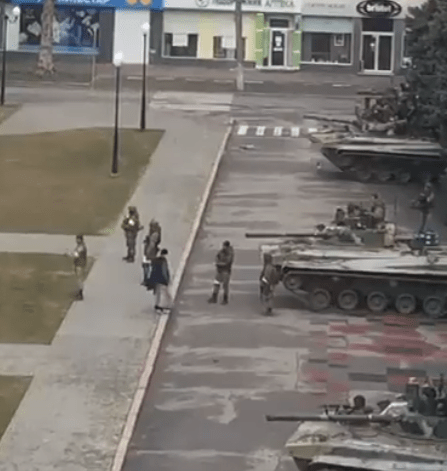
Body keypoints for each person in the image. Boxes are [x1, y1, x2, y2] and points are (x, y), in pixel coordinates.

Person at [208, 240, 234, 305]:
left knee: (225, 285)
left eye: (224, 246)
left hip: (226, 271)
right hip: (219, 270)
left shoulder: (230, 253)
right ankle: (214, 297)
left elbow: (227, 262)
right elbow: (217, 257)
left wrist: (219, 263)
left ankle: (225, 299)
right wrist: (217, 262)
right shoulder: (221, 251)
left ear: (227, 246)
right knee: (216, 283)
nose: (223, 247)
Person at [146, 248, 172, 313]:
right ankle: (163, 306)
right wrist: (167, 280)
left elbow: (151, 270)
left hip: (156, 279)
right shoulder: (163, 261)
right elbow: (164, 271)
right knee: (165, 293)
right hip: (162, 280)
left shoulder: (155, 261)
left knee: (158, 293)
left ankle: (158, 305)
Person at [142, 219, 161, 287]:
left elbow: (152, 245)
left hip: (150, 253)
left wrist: (147, 253)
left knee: (146, 266)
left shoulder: (154, 234)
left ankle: (148, 281)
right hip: (153, 252)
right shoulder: (155, 233)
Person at [72, 235, 87, 301]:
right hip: (79, 264)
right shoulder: (81, 246)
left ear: (81, 239)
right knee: (79, 279)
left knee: (79, 279)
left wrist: (70, 254)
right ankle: (79, 292)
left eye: (78, 239)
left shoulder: (81, 247)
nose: (76, 241)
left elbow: (76, 254)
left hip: (80, 264)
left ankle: (80, 294)